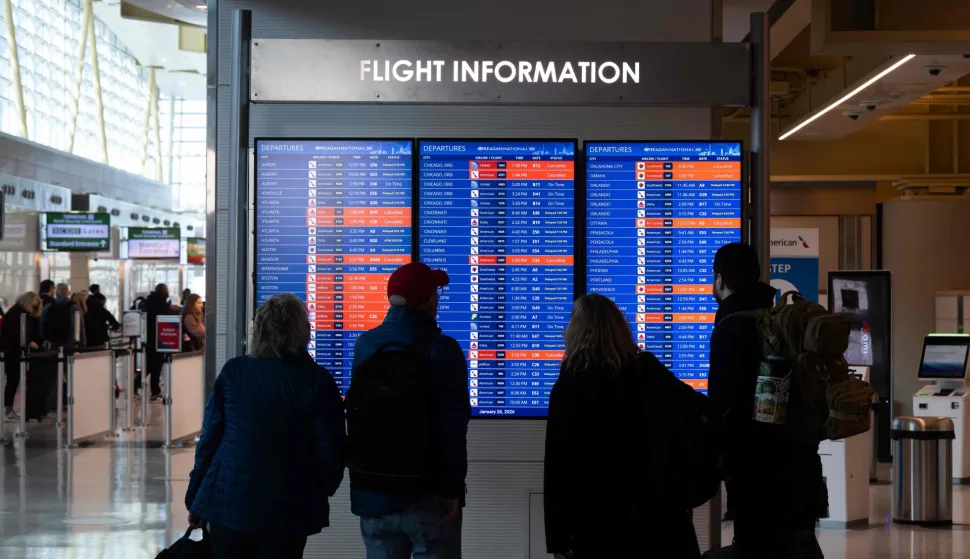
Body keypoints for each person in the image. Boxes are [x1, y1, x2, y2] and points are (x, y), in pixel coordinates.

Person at [544, 294, 718, 559]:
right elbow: (699, 411)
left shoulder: (570, 386)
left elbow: (559, 466)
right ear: (620, 328)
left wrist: (559, 538)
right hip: (660, 521)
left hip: (599, 527)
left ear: (575, 331)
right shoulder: (647, 370)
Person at [185, 293, 346, 559]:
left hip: (229, 503)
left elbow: (210, 440)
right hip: (289, 508)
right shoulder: (317, 380)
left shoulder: (234, 372)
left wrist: (196, 498)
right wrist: (318, 490)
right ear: (302, 330)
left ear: (258, 330)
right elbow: (330, 449)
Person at [707, 242, 826, 559]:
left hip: (756, 473)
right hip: (802, 465)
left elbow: (722, 402)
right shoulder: (783, 318)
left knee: (757, 548)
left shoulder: (731, 327)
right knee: (798, 546)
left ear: (720, 280)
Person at [349, 262, 469, 559]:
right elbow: (452, 427)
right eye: (436, 292)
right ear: (428, 300)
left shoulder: (365, 346)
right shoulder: (443, 349)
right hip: (427, 499)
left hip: (373, 496)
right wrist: (452, 489)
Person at [0, 292, 42, 420]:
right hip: (13, 352)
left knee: (14, 379)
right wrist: (29, 342)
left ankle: (8, 408)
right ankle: (7, 409)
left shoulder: (19, 313)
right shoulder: (17, 314)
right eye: (33, 306)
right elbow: (16, 333)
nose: (33, 309)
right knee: (13, 379)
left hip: (15, 351)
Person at [143, 284, 175, 401]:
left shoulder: (149, 301)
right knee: (156, 365)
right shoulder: (161, 304)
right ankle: (154, 391)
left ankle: (138, 384)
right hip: (159, 337)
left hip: (149, 337)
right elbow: (165, 318)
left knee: (151, 364)